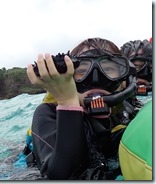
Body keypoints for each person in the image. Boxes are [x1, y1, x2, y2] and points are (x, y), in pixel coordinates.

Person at [23, 37, 138, 180]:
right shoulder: (48, 114)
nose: (96, 78)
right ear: (69, 78)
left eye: (108, 69)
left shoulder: (128, 111)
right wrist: (67, 102)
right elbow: (62, 177)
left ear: (124, 79)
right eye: (82, 71)